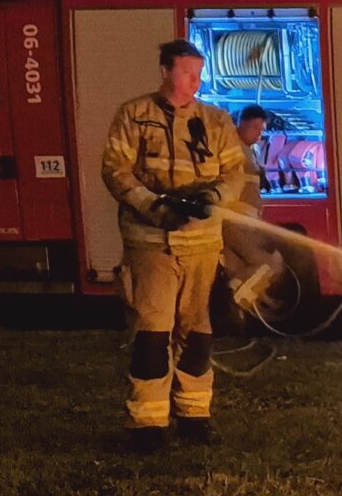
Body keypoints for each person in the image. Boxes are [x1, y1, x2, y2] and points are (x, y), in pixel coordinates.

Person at [100, 39, 249, 450]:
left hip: (201, 245)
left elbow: (235, 171)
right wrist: (153, 207)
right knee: (152, 333)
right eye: (187, 73)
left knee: (197, 334)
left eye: (199, 73)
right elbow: (115, 170)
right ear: (164, 70)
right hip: (150, 243)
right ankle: (147, 426)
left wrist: (213, 199)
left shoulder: (215, 121)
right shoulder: (134, 115)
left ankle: (194, 418)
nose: (195, 82)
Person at [220, 104, 283, 316]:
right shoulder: (234, 148)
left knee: (239, 271)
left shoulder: (247, 151)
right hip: (237, 221)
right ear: (242, 124)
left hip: (240, 221)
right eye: (256, 128)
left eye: (262, 129)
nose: (259, 134)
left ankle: (241, 309)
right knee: (271, 263)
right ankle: (236, 298)